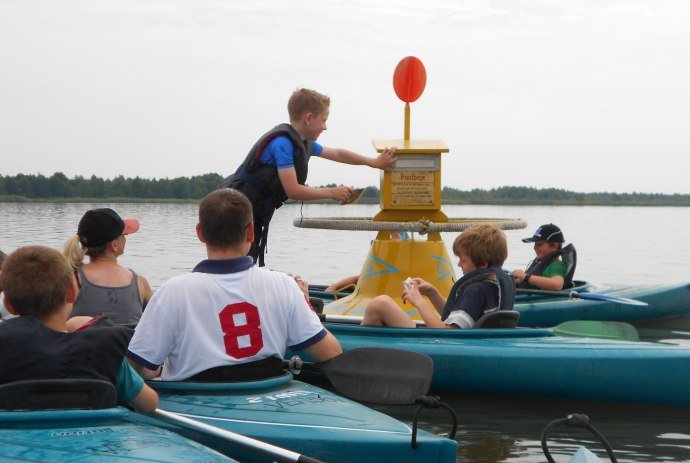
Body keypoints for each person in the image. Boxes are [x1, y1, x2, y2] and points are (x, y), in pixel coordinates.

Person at [127, 189, 342, 381]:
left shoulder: (172, 292)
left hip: (196, 403)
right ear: (251, 232)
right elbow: (331, 352)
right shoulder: (283, 285)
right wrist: (305, 304)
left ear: (200, 233)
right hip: (267, 391)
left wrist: (158, 370)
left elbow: (135, 368)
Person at [220, 88, 398, 266]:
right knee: (237, 265)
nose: (325, 127)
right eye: (323, 120)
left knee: (245, 264)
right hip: (234, 211)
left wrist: (373, 162)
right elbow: (293, 190)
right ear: (308, 118)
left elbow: (337, 153)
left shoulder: (306, 144)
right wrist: (332, 192)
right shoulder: (282, 144)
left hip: (253, 211)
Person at [0, 246, 158, 412]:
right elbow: (149, 404)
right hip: (97, 436)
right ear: (72, 292)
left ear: (8, 305)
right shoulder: (104, 350)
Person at [361, 224, 515, 329]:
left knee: (380, 304)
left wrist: (419, 302)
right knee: (381, 305)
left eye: (463, 260)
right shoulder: (490, 285)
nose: (459, 265)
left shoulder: (475, 290)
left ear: (483, 264)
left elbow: (448, 334)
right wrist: (432, 293)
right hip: (471, 342)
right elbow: (456, 318)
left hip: (439, 344)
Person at [63, 208, 153, 326]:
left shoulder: (71, 280)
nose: (126, 238)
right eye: (124, 235)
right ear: (114, 245)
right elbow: (161, 321)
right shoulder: (140, 283)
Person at [511, 223, 575, 291]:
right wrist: (519, 280)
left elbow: (557, 285)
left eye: (539, 244)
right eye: (535, 244)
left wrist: (526, 277)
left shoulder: (556, 266)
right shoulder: (543, 263)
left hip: (543, 299)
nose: (535, 247)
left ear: (554, 246)